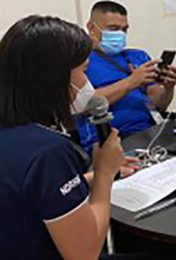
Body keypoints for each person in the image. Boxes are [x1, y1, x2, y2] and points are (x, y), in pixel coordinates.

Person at [0, 16, 124, 259]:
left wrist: (86, 178)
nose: (87, 83)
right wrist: (104, 174)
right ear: (55, 77)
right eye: (83, 71)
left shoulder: (14, 133)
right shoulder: (48, 151)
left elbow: (29, 194)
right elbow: (84, 254)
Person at [78, 1, 176, 149]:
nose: (120, 34)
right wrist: (131, 82)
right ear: (92, 28)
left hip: (151, 132)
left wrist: (168, 86)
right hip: (110, 140)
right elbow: (82, 104)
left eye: (124, 29)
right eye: (113, 29)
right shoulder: (80, 62)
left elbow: (159, 105)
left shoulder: (137, 56)